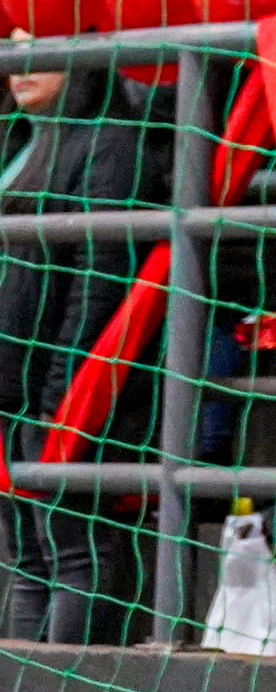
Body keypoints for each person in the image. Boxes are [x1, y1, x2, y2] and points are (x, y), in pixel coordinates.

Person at [0, 51, 168, 642]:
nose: (23, 62)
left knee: (73, 549)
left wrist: (60, 394)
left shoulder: (111, 145)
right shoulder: (16, 140)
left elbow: (100, 283)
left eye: (42, 44)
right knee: (26, 557)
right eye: (15, 43)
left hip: (66, 388)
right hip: (11, 386)